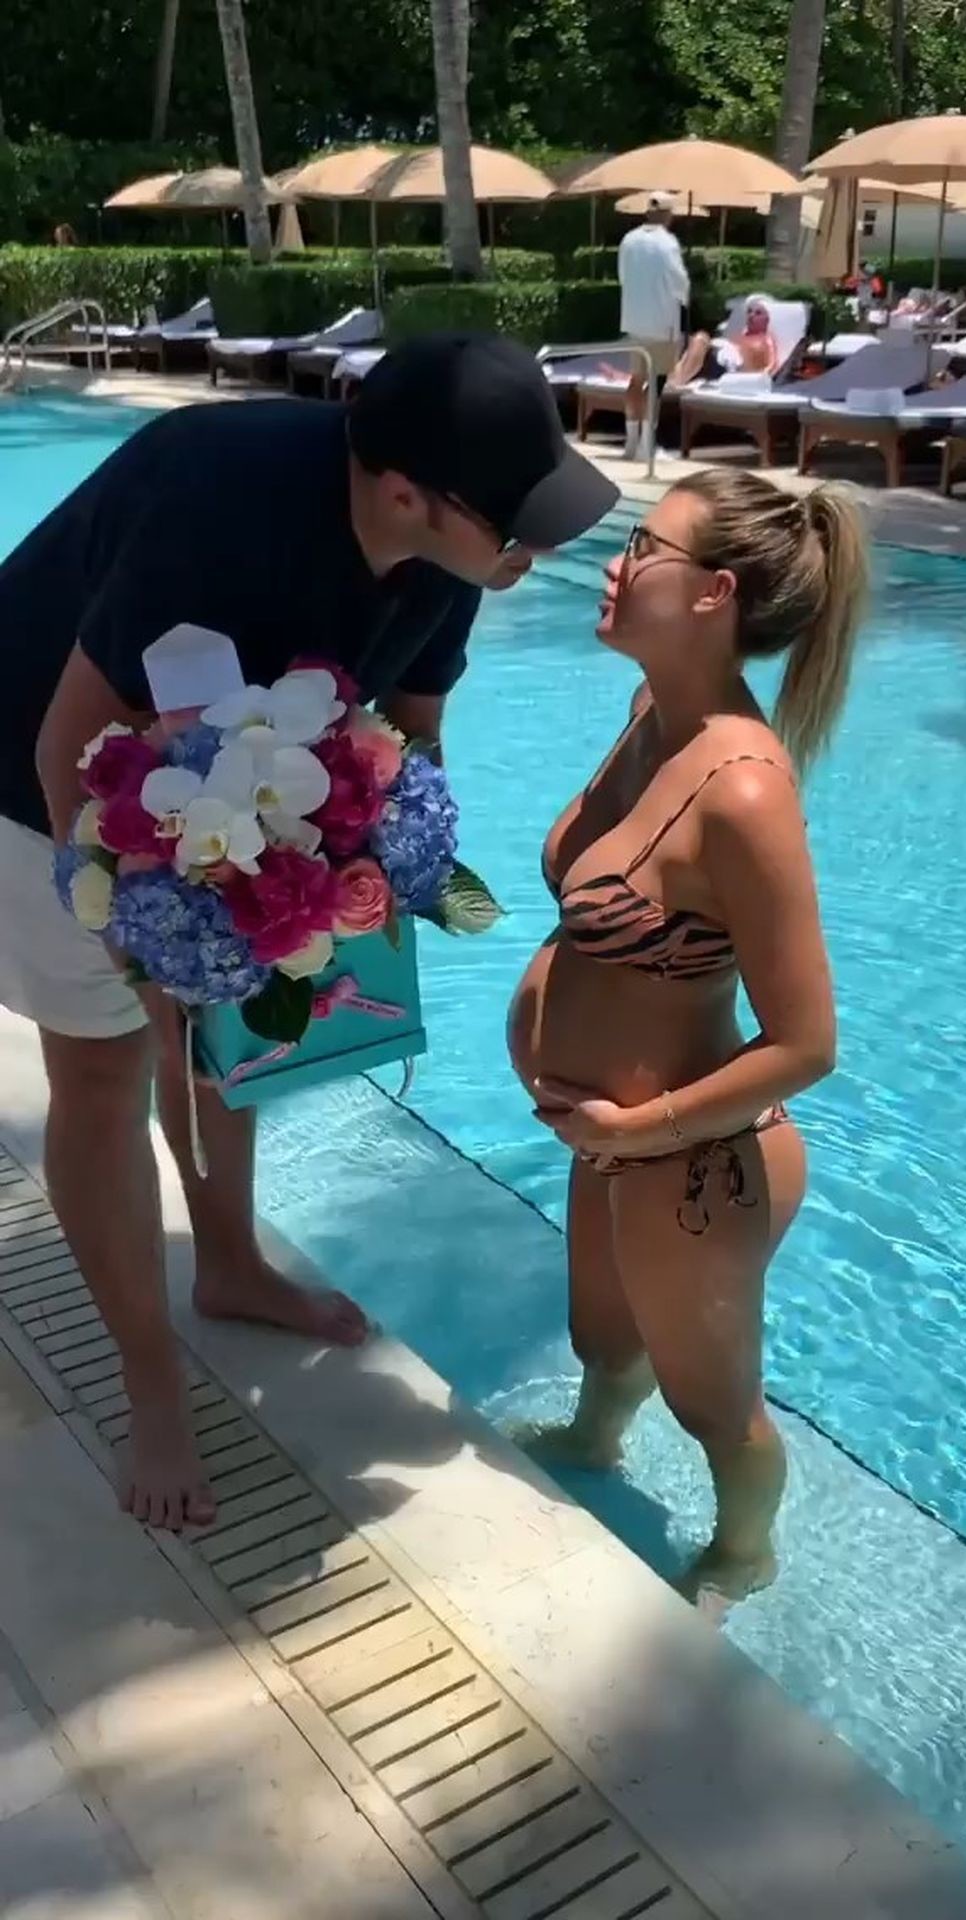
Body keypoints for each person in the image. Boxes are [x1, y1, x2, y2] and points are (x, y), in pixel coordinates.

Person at [0, 332, 618, 1532]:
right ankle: (149, 1379)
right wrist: (135, 936)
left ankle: (228, 1264)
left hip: (219, 781)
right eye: (516, 525)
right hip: (33, 778)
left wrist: (365, 876)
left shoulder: (449, 558)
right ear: (405, 492)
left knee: (225, 1030)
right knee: (105, 1068)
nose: (535, 550)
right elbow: (68, 740)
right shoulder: (218, 506)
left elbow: (411, 737)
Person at [507, 466, 867, 1605]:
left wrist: (637, 1128)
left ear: (714, 593)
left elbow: (806, 1042)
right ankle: (593, 1440)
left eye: (642, 548)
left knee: (714, 1405)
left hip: (689, 1154)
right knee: (603, 1340)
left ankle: (743, 1553)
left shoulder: (742, 793)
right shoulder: (648, 719)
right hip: (608, 1135)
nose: (614, 566)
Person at [617, 190, 690, 460]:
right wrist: (685, 301)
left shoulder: (629, 239)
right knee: (656, 384)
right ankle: (646, 446)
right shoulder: (667, 243)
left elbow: (623, 276)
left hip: (634, 319)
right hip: (660, 322)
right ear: (668, 215)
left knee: (636, 379)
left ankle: (631, 442)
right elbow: (679, 282)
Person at [666, 296, 779, 388]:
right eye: (749, 312)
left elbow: (773, 365)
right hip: (715, 355)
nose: (751, 315)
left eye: (758, 313)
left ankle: (676, 382)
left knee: (701, 337)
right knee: (683, 340)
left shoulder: (766, 339)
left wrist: (762, 378)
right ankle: (671, 379)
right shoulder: (741, 335)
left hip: (726, 365)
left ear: (768, 318)